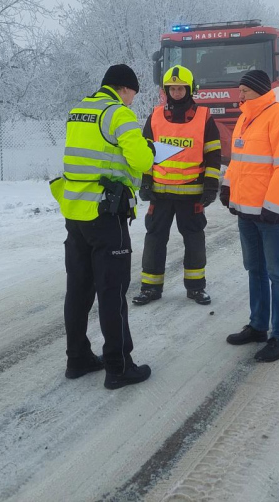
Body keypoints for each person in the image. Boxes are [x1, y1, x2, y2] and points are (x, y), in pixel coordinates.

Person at [49, 64, 155, 389]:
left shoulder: (80, 110)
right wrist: (148, 148)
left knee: (78, 289)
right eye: (133, 95)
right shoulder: (117, 114)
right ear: (125, 89)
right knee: (113, 291)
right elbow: (142, 162)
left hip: (75, 214)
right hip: (106, 216)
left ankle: (77, 358)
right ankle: (118, 366)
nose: (132, 102)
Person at [220, 69, 279, 363]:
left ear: (259, 90)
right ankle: (257, 326)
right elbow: (238, 161)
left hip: (270, 215)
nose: (239, 96)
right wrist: (228, 186)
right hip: (246, 210)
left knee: (277, 273)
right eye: (239, 90)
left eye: (244, 91)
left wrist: (273, 206)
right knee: (254, 269)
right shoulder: (245, 117)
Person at [133, 65, 222, 306]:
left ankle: (196, 288)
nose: (177, 92)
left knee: (194, 240)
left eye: (181, 87)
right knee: (154, 239)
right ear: (165, 91)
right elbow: (145, 154)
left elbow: (214, 155)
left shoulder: (204, 117)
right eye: (172, 88)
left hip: (192, 194)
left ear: (190, 89)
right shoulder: (155, 116)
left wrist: (211, 186)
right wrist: (146, 182)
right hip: (160, 195)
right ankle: (150, 288)